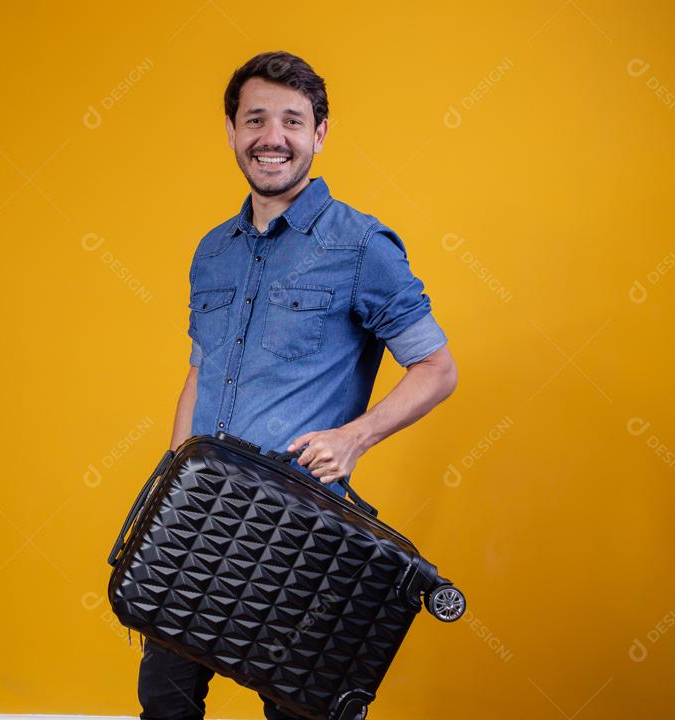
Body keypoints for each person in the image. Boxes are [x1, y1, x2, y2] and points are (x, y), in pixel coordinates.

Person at [137, 50, 457, 720]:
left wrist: (354, 438)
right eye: (255, 119)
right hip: (198, 524)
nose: (272, 137)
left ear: (320, 133)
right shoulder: (212, 251)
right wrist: (167, 493)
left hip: (298, 536)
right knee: (164, 704)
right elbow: (201, 371)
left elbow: (436, 369)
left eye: (292, 120)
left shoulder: (361, 245)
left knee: (296, 712)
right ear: (232, 131)